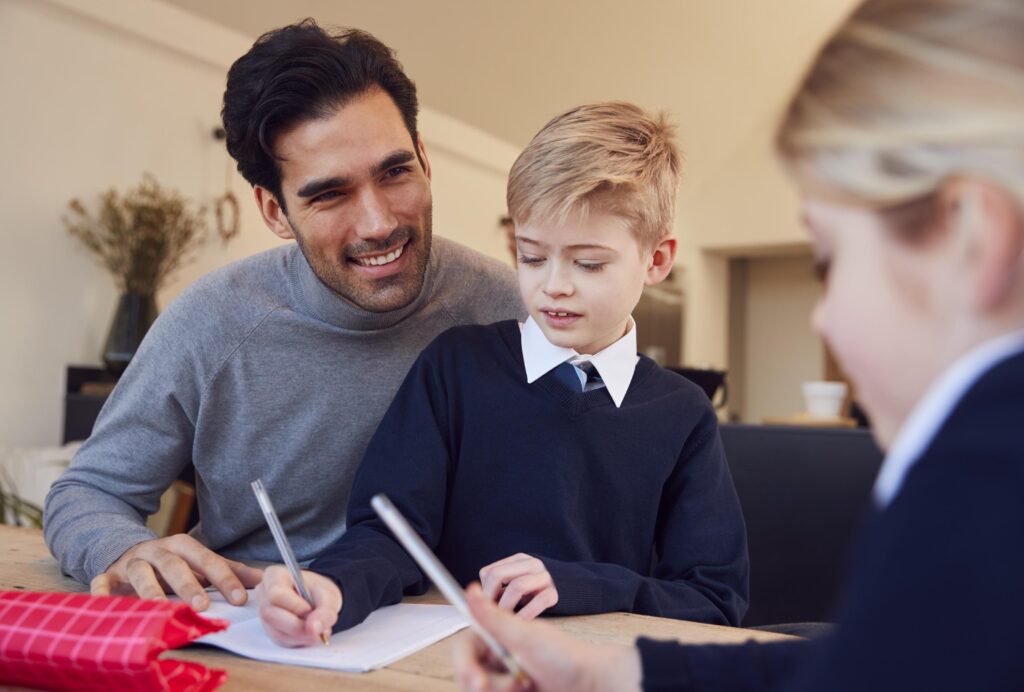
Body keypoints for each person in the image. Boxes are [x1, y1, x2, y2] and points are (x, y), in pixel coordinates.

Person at [451, 0, 1024, 689]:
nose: (824, 322)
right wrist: (608, 672)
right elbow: (877, 663)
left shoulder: (981, 475)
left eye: (829, 259)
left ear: (970, 238)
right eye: (532, 255)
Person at [42, 20, 522, 613]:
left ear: (425, 159)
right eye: (329, 194)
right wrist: (124, 549)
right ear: (274, 210)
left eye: (395, 172)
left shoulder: (511, 308)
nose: (377, 222)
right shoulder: (212, 322)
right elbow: (87, 490)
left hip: (456, 632)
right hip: (260, 628)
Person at [255, 102, 749, 646]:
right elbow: (388, 537)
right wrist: (333, 588)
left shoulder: (681, 413)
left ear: (657, 260)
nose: (553, 286)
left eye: (588, 264)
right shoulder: (455, 368)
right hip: (448, 663)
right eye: (532, 257)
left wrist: (580, 585)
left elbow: (713, 599)